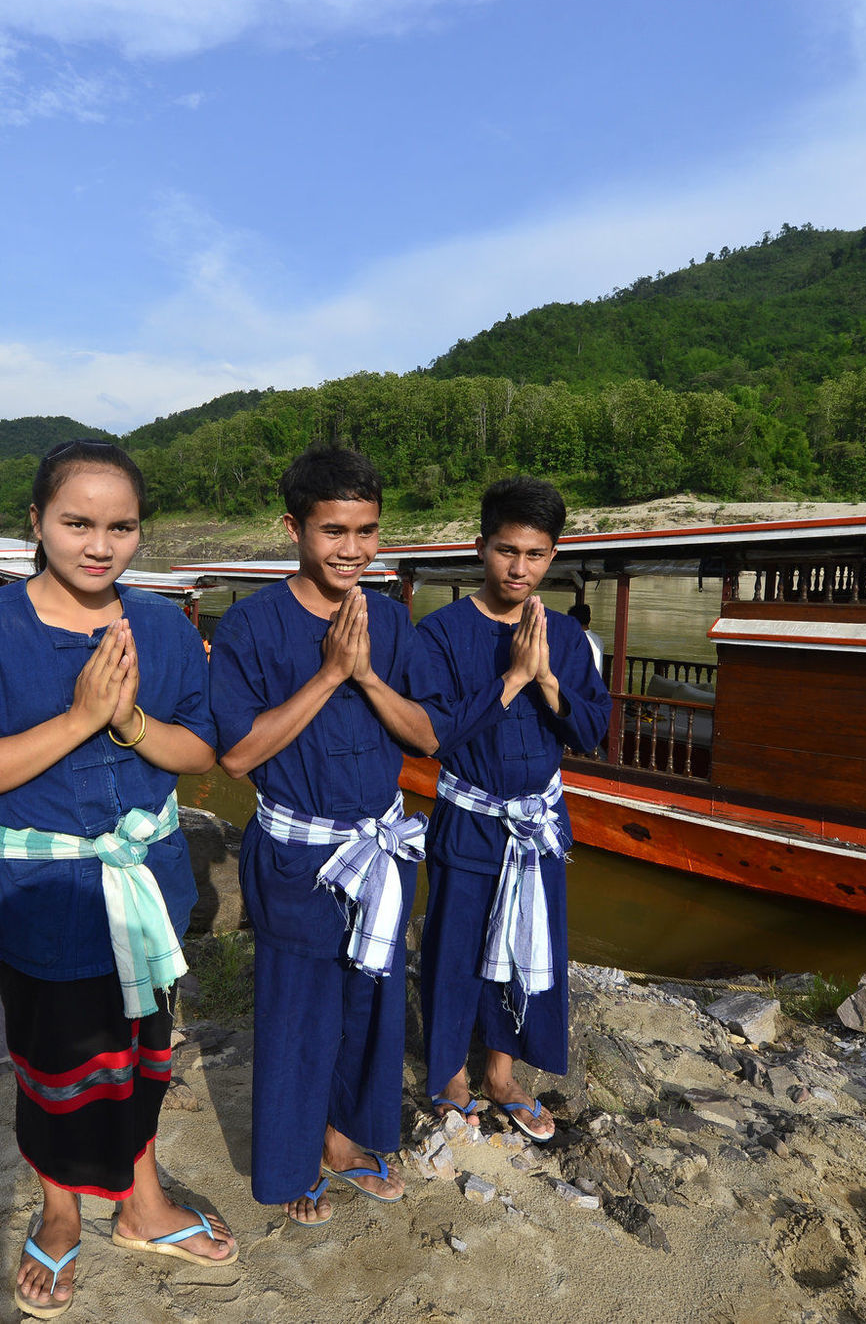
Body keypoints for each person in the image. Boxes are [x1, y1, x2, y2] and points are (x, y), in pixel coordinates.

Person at [0, 440, 234, 1319]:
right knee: (56, 1059)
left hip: (147, 878)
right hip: (46, 889)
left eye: (122, 525)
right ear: (36, 523)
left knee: (143, 1047)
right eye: (77, 522)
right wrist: (79, 718)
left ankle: (140, 1201)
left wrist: (128, 720)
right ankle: (60, 1214)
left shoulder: (167, 627)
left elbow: (200, 751)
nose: (101, 544)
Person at [209, 444, 448, 1227]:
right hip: (297, 857)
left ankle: (346, 1141)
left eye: (368, 530)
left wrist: (369, 673)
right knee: (297, 1009)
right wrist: (328, 674)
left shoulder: (387, 617)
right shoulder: (252, 624)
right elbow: (239, 754)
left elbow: (426, 740)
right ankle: (290, 1162)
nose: (352, 549)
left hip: (379, 849)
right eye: (333, 530)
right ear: (293, 528)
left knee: (370, 1002)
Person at [417, 478, 610, 1143]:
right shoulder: (440, 634)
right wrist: (514, 679)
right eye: (506, 550)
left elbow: (590, 733)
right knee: (454, 948)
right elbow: (436, 734)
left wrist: (549, 676)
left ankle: (500, 1073)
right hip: (469, 819)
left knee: (527, 946)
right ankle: (450, 1077)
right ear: (481, 547)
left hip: (539, 824)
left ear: (552, 556)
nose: (519, 567)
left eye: (534, 554)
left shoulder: (566, 637)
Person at [566, 601, 607, 683]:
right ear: (589, 619)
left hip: (580, 687)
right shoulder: (598, 640)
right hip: (596, 685)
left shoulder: (575, 639)